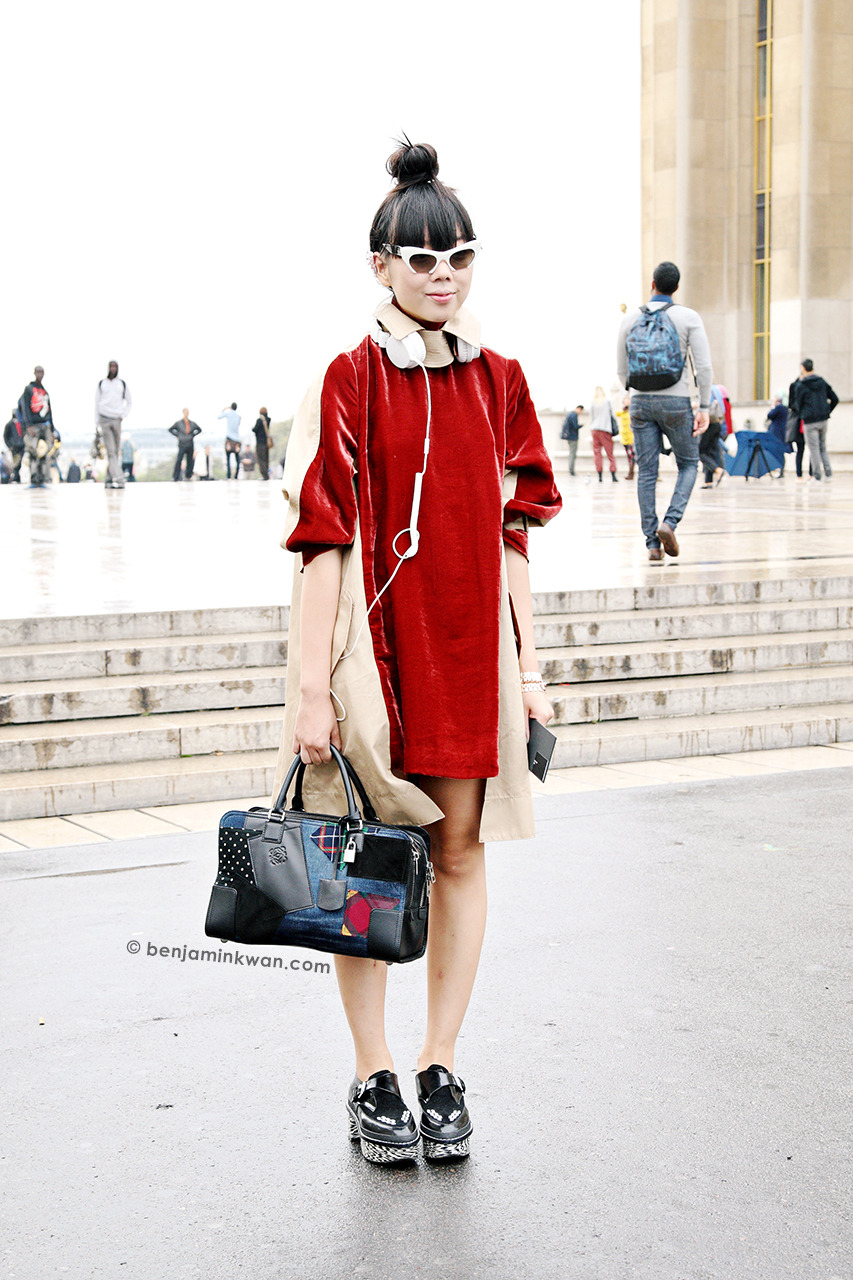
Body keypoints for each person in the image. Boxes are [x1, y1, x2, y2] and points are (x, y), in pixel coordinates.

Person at [278, 140, 561, 1166]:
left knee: (458, 852)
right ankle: (373, 1071)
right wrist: (313, 692)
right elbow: (321, 543)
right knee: (367, 862)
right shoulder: (349, 378)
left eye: (459, 258)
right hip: (373, 657)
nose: (441, 277)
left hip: (466, 647)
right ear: (380, 266)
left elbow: (512, 538)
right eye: (420, 258)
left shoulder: (502, 381)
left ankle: (440, 1059)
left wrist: (528, 674)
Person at [616, 261, 712, 563]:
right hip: (676, 401)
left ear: (652, 284)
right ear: (677, 287)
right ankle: (669, 523)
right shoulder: (688, 317)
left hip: (641, 403)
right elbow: (704, 367)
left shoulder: (630, 320)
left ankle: (651, 545)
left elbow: (622, 370)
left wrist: (637, 391)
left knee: (647, 472)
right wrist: (705, 406)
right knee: (688, 464)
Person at [791, 359, 838, 483]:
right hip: (823, 419)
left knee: (814, 448)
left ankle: (817, 476)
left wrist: (803, 414)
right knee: (822, 447)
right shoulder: (822, 382)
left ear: (803, 368)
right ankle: (828, 474)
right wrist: (827, 411)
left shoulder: (801, 385)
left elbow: (797, 403)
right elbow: (834, 398)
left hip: (810, 420)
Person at [95, 361, 132, 490]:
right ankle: (119, 478)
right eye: (111, 366)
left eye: (115, 367)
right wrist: (97, 423)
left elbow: (129, 401)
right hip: (104, 419)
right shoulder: (102, 384)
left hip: (117, 419)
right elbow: (96, 403)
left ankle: (108, 479)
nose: (113, 369)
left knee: (115, 451)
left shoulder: (121, 384)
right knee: (111, 451)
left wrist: (123, 414)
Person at [17, 366, 56, 488]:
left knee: (45, 452)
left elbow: (49, 411)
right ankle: (34, 479)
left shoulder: (45, 391)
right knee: (33, 452)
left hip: (45, 425)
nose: (40, 374)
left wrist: (52, 430)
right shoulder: (28, 389)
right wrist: (28, 426)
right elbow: (24, 408)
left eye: (42, 372)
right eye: (38, 372)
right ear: (34, 373)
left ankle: (43, 478)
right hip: (33, 425)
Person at [588, 386, 618, 482]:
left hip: (594, 429)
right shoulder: (607, 402)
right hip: (605, 429)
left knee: (597, 453)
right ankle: (613, 474)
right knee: (610, 453)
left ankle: (599, 475)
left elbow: (592, 417)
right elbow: (612, 415)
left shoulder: (593, 402)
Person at [169, 409, 202, 481]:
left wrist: (192, 435)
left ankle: (188, 476)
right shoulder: (178, 423)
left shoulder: (192, 423)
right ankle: (175, 477)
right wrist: (178, 435)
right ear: (183, 413)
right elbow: (170, 429)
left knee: (190, 460)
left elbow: (199, 429)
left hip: (190, 443)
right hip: (182, 444)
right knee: (179, 460)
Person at [764, 392, 790, 476]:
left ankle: (777, 469)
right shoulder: (786, 408)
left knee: (776, 451)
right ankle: (781, 470)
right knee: (780, 451)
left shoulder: (778, 407)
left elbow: (769, 415)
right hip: (782, 432)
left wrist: (772, 407)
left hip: (776, 432)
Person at [219, 402, 241, 478]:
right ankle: (236, 475)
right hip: (236, 439)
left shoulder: (228, 413)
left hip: (229, 438)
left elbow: (219, 416)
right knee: (237, 459)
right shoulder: (238, 416)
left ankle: (228, 475)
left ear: (231, 407)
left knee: (228, 458)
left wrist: (225, 409)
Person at [560, 404, 583, 475]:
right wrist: (581, 425)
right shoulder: (574, 415)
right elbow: (575, 426)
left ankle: (571, 469)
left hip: (569, 437)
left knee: (571, 453)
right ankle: (571, 470)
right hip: (573, 437)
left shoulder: (570, 414)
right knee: (572, 454)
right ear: (579, 409)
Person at [616, 395, 635, 479]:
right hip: (625, 436)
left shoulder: (633, 410)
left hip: (632, 436)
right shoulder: (622, 412)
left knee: (633, 455)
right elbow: (616, 413)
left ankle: (631, 472)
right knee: (629, 455)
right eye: (625, 400)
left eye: (628, 400)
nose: (627, 402)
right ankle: (630, 472)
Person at [3, 413, 25, 483]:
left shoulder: (22, 423)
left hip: (22, 446)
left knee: (20, 461)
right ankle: (15, 477)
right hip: (14, 447)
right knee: (16, 462)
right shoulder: (9, 425)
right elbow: (5, 436)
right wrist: (10, 446)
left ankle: (16, 476)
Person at [253, 407, 272, 480]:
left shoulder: (259, 420)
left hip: (260, 443)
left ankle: (264, 475)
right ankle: (266, 474)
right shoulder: (268, 419)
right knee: (266, 459)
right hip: (266, 443)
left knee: (261, 459)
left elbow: (255, 429)